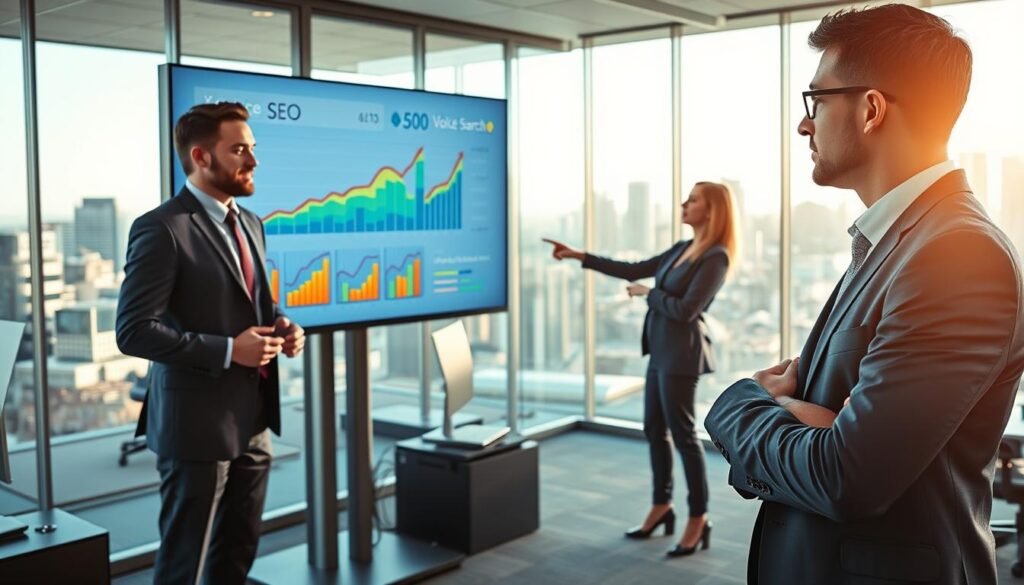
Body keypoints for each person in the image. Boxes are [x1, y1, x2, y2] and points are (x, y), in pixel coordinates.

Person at [703, 5, 1024, 584]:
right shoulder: (897, 240)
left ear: (871, 108)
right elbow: (843, 447)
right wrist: (813, 422)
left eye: (816, 101)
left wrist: (739, 404)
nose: (805, 125)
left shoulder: (958, 258)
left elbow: (844, 475)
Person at [116, 102, 305, 585]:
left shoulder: (251, 223)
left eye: (253, 148)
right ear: (201, 157)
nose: (253, 160)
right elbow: (134, 330)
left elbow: (254, 303)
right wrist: (227, 350)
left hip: (254, 419)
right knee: (185, 561)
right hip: (196, 428)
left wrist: (283, 325)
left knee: (237, 552)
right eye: (239, 149)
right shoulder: (162, 228)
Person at [544, 181, 739, 557]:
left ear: (711, 211)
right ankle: (661, 506)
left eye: (693, 199)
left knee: (683, 436)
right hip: (661, 352)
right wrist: (580, 255)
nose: (684, 203)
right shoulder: (683, 249)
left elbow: (687, 310)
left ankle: (698, 518)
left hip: (681, 356)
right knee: (654, 429)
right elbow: (634, 268)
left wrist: (646, 293)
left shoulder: (716, 257)